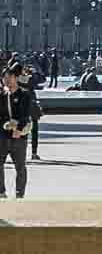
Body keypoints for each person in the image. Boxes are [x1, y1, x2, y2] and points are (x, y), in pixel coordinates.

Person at [2, 63, 34, 198]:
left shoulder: (24, 95)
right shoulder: (2, 95)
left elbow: (25, 114)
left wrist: (19, 129)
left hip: (19, 137)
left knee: (20, 167)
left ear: (15, 78)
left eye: (9, 77)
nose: (6, 80)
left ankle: (19, 194)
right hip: (3, 137)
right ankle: (1, 192)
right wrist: (5, 125)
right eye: (4, 78)